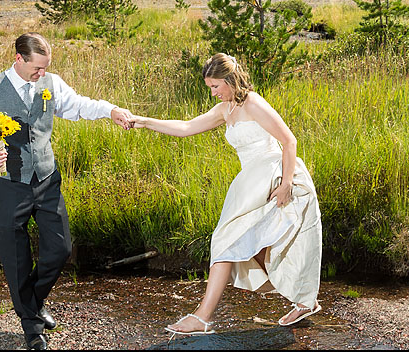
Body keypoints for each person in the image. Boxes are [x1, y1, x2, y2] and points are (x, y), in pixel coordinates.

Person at [0, 32, 135, 351]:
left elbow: (78, 105)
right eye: (36, 69)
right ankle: (32, 327)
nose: (42, 74)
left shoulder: (50, 84)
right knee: (16, 257)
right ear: (19, 59)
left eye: (46, 68)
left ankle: (33, 302)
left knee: (60, 248)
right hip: (9, 183)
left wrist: (110, 110)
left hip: (46, 177)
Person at [132, 52, 323, 335]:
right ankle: (304, 301)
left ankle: (203, 317)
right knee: (256, 246)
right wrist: (144, 121)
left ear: (231, 80)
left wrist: (285, 184)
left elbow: (288, 140)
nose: (213, 93)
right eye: (210, 87)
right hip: (250, 181)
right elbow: (186, 128)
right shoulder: (226, 110)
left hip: (273, 174)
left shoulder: (253, 103)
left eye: (216, 86)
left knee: (229, 239)